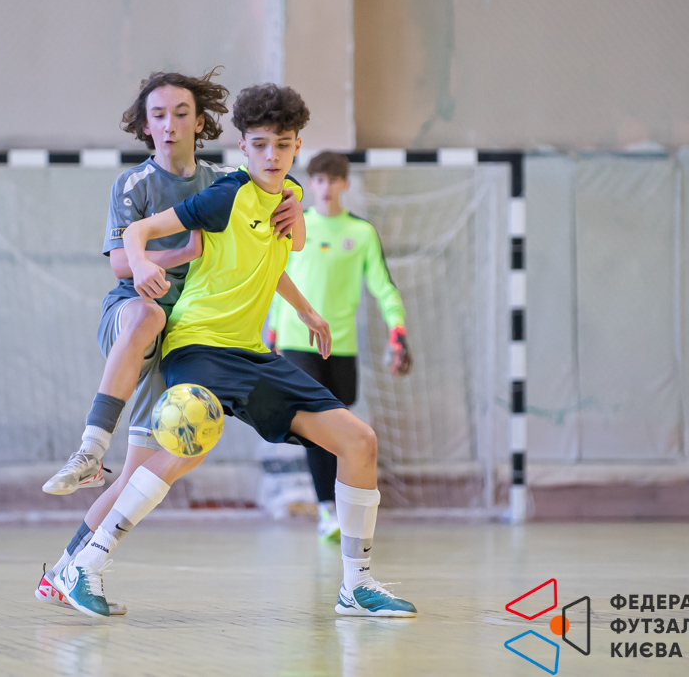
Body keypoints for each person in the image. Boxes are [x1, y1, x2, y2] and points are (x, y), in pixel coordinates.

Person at [52, 83, 417, 620]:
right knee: (187, 446)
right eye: (260, 144)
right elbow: (139, 232)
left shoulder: (288, 199)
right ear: (243, 146)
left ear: (297, 147)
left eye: (283, 145)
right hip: (197, 342)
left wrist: (306, 310)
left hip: (250, 352)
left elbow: (278, 252)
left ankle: (356, 585)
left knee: (359, 441)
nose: (272, 155)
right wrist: (146, 262)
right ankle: (85, 561)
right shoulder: (225, 194)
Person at [35, 69, 320, 615]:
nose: (170, 124)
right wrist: (169, 258)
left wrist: (303, 303)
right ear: (146, 126)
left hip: (186, 333)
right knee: (146, 313)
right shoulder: (134, 185)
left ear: (201, 122)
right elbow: (123, 262)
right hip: (133, 314)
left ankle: (65, 572)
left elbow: (259, 255)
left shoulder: (227, 183)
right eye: (159, 115)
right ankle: (91, 447)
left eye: (181, 113)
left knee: (142, 473)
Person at [267, 151, 412, 542]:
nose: (326, 187)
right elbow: (274, 279)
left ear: (345, 184)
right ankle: (327, 510)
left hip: (341, 345)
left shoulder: (361, 233)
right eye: (319, 180)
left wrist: (397, 327)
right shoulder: (294, 227)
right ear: (311, 184)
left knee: (341, 426)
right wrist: (271, 333)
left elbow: (384, 287)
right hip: (297, 340)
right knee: (318, 422)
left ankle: (338, 505)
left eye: (333, 180)